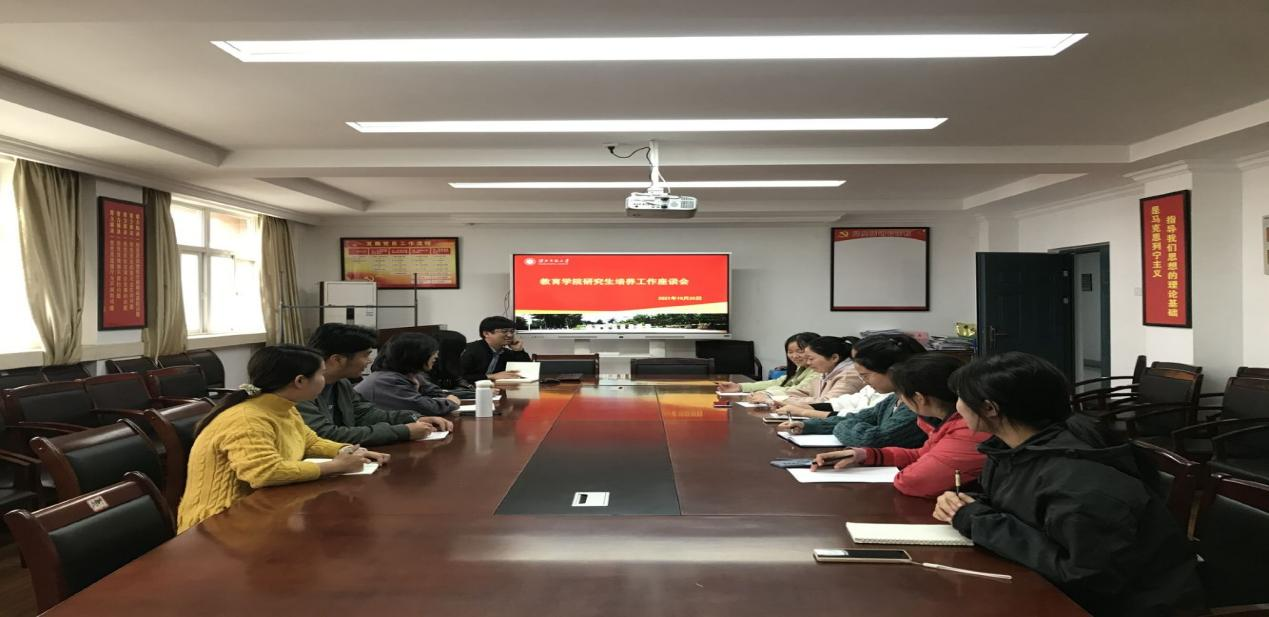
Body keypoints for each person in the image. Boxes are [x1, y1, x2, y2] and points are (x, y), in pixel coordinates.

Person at [933, 352, 1203, 617]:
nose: (957, 406)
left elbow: (1087, 578)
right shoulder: (1014, 451)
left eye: (961, 397)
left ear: (990, 408)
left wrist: (978, 520)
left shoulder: (1081, 481)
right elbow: (1017, 507)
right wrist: (968, 505)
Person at [177, 345, 390, 532]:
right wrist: (335, 466)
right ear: (300, 381)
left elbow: (310, 441)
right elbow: (265, 473)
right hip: (220, 521)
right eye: (321, 374)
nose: (324, 380)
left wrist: (349, 450)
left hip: (262, 509)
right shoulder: (248, 418)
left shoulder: (283, 406)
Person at [809, 354, 991, 497]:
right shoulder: (945, 421)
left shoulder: (969, 430)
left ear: (919, 398)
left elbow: (914, 481)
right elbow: (920, 454)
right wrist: (864, 455)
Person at [297, 323, 453, 447]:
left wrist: (415, 418)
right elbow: (325, 435)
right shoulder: (298, 389)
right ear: (337, 360)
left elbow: (366, 414)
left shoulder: (341, 383)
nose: (369, 361)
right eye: (365, 355)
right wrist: (402, 431)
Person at [780, 334, 927, 449]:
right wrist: (809, 426)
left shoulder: (915, 405)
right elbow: (861, 417)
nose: (863, 381)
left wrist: (843, 426)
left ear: (892, 371)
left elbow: (872, 439)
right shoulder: (894, 399)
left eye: (866, 375)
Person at [356, 332, 462, 416]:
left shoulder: (409, 374)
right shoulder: (387, 379)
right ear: (416, 354)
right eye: (432, 352)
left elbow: (433, 393)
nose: (436, 356)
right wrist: (450, 402)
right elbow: (422, 407)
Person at [752, 336, 863, 407]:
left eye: (811, 358)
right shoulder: (826, 371)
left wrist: (776, 400)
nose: (808, 363)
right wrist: (768, 394)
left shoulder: (850, 375)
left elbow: (827, 403)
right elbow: (803, 391)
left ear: (834, 358)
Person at [716, 332, 821, 396]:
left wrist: (766, 393)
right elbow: (777, 382)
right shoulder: (800, 368)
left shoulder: (819, 371)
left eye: (800, 351)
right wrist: (739, 387)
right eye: (790, 352)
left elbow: (797, 391)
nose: (794, 356)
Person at [459, 316, 531, 383]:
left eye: (512, 331)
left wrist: (519, 351)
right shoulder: (469, 350)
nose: (510, 335)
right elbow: (459, 377)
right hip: (468, 390)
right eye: (504, 331)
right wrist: (491, 376)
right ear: (486, 333)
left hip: (495, 390)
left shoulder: (506, 353)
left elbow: (527, 372)